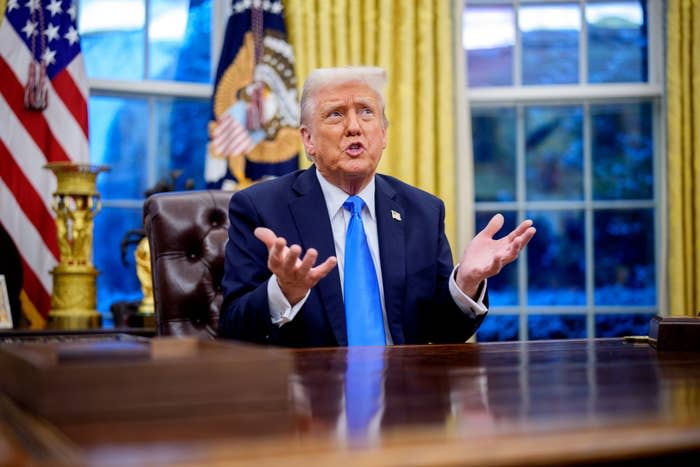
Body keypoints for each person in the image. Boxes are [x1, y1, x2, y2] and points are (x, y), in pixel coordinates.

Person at [219, 66, 535, 347]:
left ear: (383, 135)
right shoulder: (260, 208)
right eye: (335, 114)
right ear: (308, 140)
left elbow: (444, 333)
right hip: (309, 402)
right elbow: (233, 329)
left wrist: (466, 281)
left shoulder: (423, 211)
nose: (354, 127)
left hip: (403, 398)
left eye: (366, 112)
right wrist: (284, 291)